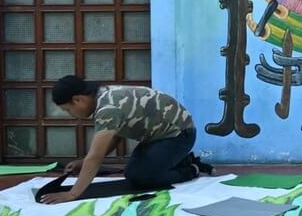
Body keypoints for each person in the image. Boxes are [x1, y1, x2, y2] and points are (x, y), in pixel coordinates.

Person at [42, 76, 211, 204]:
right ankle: (182, 159)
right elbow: (114, 139)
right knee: (132, 174)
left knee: (141, 179)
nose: (71, 115)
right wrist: (82, 162)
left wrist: (72, 194)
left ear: (78, 99)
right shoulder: (103, 95)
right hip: (157, 137)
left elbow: (96, 156)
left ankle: (191, 169)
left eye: (68, 110)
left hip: (179, 134)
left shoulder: (107, 108)